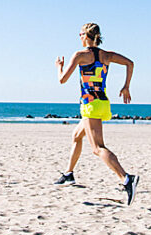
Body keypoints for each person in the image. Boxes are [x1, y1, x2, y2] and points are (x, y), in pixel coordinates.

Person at [54, 22, 140, 205]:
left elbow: (62, 80)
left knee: (97, 148)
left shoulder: (80, 55)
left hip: (90, 105)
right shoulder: (106, 55)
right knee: (76, 136)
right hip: (102, 102)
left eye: (80, 34)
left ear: (86, 36)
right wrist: (126, 86)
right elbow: (130, 63)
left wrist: (58, 66)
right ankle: (69, 174)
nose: (79, 37)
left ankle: (126, 179)